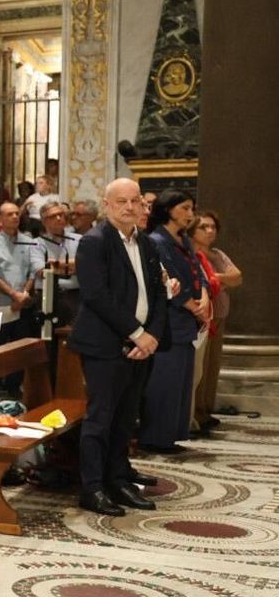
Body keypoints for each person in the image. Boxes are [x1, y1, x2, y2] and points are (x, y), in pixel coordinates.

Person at [69, 178, 168, 515]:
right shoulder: (94, 241)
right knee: (101, 418)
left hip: (141, 344)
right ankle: (92, 487)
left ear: (142, 204)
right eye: (121, 201)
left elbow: (158, 293)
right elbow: (97, 295)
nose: (129, 207)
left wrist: (152, 335)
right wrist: (137, 332)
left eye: (134, 201)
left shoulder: (147, 243)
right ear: (107, 204)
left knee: (126, 417)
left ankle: (118, 479)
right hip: (104, 344)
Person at [139, 190, 208, 454]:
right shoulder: (157, 240)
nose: (190, 214)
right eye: (185, 208)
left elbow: (196, 271)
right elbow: (169, 278)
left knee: (181, 381)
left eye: (192, 208)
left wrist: (203, 296)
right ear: (168, 209)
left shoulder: (184, 240)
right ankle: (156, 437)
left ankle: (172, 435)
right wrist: (193, 306)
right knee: (164, 381)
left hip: (187, 320)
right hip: (170, 319)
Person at [0, 201, 40, 393]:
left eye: (16, 213)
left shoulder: (29, 240)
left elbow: (34, 270)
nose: (15, 217)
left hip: (23, 303)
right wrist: (13, 294)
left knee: (20, 348)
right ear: (0, 218)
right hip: (0, 303)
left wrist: (23, 295)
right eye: (9, 214)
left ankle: (14, 387)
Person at [192, 210, 239, 433]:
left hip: (219, 315)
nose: (210, 231)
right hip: (202, 317)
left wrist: (215, 277)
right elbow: (203, 282)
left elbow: (237, 277)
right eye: (204, 227)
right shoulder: (191, 253)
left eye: (213, 227)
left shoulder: (218, 254)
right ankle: (195, 412)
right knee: (200, 368)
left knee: (212, 366)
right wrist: (217, 280)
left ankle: (206, 411)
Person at [34, 200, 81, 326]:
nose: (59, 218)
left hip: (75, 296)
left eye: (61, 214)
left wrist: (57, 264)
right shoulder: (36, 244)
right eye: (53, 216)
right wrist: (72, 267)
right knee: (49, 335)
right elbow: (41, 271)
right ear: (44, 221)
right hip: (47, 297)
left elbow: (86, 266)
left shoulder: (79, 240)